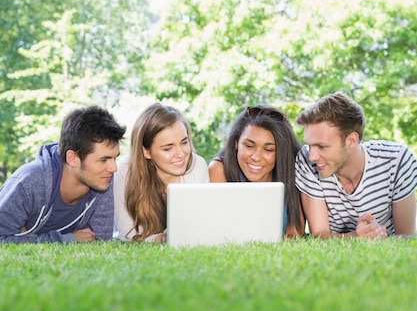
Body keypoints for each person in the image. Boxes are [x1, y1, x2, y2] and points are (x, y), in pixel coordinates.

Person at [294, 92, 417, 238]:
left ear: (351, 140)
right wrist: (357, 236)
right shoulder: (306, 160)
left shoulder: (396, 160)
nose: (312, 156)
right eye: (309, 145)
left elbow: (405, 238)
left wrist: (377, 235)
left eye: (322, 147)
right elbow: (320, 236)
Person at [0, 105, 126, 244]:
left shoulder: (102, 179)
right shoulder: (30, 180)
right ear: (72, 158)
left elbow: (100, 242)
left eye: (115, 158)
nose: (113, 168)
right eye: (103, 160)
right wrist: (68, 239)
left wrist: (27, 237)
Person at [114, 102, 209, 243]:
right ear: (146, 151)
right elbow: (128, 235)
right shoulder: (125, 171)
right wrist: (161, 239)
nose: (181, 154)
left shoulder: (197, 166)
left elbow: (204, 225)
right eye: (167, 148)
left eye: (184, 142)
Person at [208, 104, 305, 237]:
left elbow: (295, 233)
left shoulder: (292, 169)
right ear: (236, 143)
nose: (256, 157)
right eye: (249, 146)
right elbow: (216, 231)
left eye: (269, 150)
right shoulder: (219, 170)